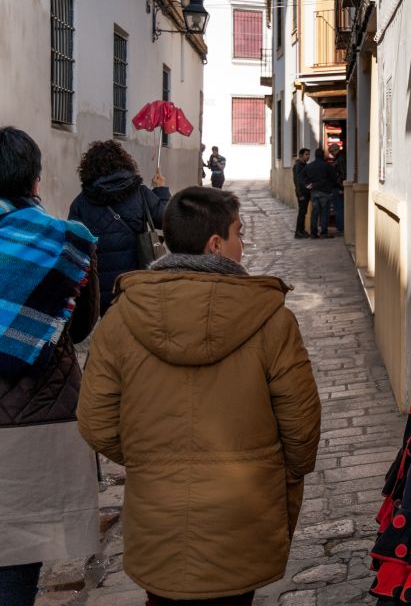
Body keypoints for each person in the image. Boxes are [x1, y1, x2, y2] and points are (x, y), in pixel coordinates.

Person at [78, 186, 322, 605]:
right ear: (215, 244)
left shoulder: (120, 319)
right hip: (242, 514)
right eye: (239, 234)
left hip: (159, 517)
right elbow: (301, 429)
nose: (243, 244)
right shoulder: (273, 321)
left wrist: (150, 456)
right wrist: (277, 475)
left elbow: (96, 421)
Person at [0, 127, 100, 606]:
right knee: (19, 561)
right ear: (35, 180)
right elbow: (79, 327)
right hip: (36, 422)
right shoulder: (66, 243)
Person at [68, 140, 170, 316]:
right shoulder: (140, 193)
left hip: (101, 291)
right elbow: (167, 219)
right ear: (125, 163)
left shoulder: (81, 203)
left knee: (111, 330)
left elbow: (74, 248)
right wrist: (160, 191)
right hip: (136, 283)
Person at [300, 147, 339, 239]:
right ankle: (324, 232)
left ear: (315, 155)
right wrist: (333, 186)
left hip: (314, 192)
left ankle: (313, 233)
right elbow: (334, 178)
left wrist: (307, 184)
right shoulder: (327, 166)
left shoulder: (309, 166)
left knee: (315, 213)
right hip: (325, 192)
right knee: (324, 212)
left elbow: (301, 176)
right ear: (323, 155)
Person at [292, 148, 311, 238]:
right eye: (306, 154)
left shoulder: (304, 165)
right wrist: (300, 194)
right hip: (302, 193)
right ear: (301, 155)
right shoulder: (299, 165)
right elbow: (298, 180)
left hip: (305, 192)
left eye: (308, 154)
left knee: (303, 213)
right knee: (302, 213)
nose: (308, 156)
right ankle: (298, 232)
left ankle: (302, 230)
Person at [329, 144, 346, 236]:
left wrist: (341, 187)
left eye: (331, 152)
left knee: (338, 208)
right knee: (338, 208)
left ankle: (340, 227)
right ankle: (340, 226)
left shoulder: (340, 159)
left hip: (338, 187)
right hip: (336, 187)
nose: (331, 154)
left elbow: (343, 174)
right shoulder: (338, 158)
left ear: (335, 150)